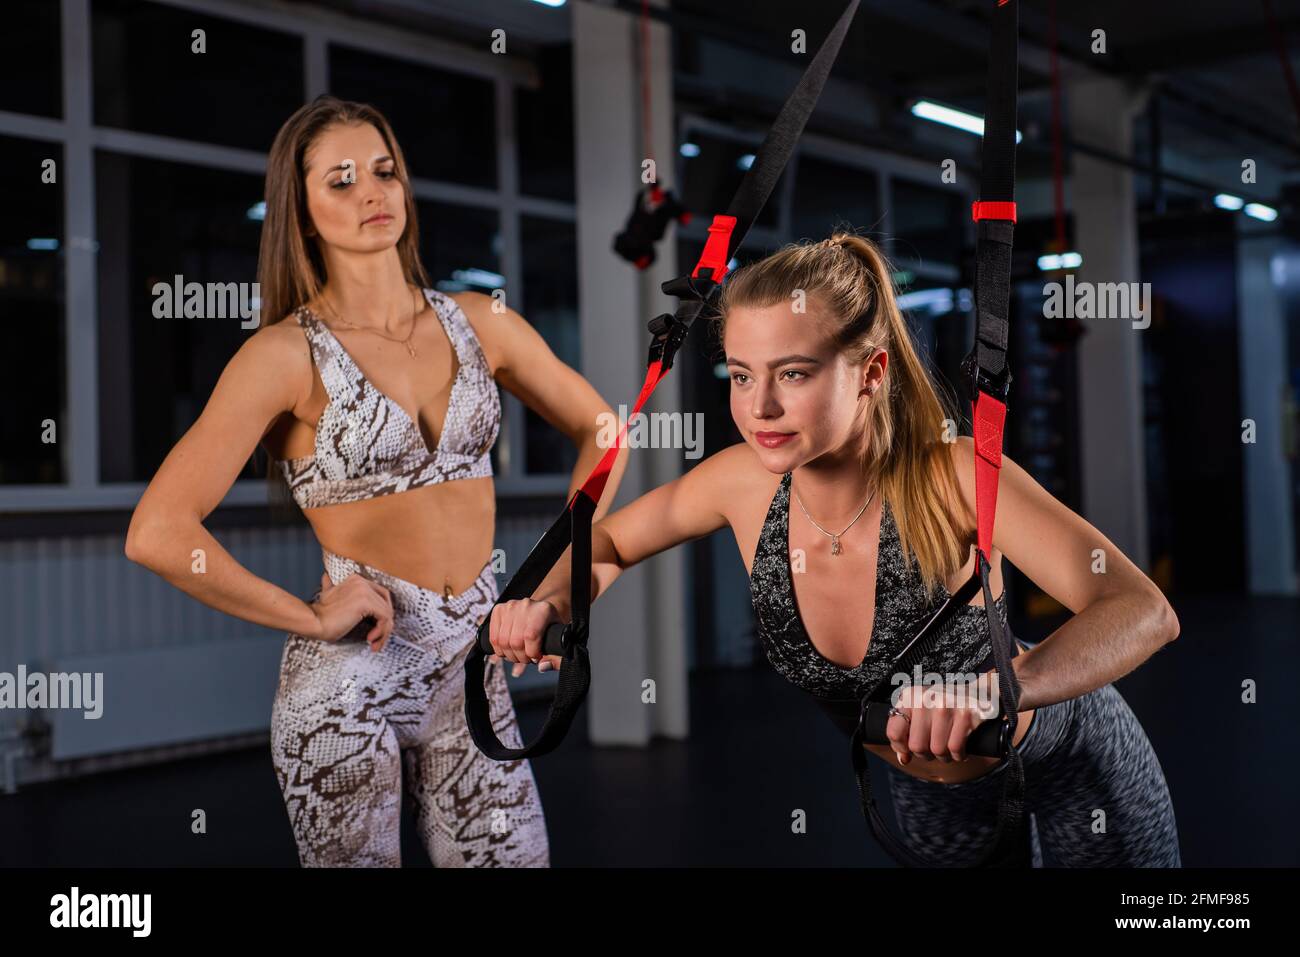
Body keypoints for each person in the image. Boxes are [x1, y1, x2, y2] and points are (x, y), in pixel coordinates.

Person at [486, 232, 1183, 867]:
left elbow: (1142, 608)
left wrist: (997, 688)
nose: (759, 408)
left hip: (1071, 759)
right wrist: (552, 598)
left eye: (793, 373)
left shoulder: (955, 474)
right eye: (740, 375)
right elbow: (603, 539)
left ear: (872, 372)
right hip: (930, 793)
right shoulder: (739, 484)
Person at [125, 96, 628, 867]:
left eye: (385, 172)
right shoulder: (281, 356)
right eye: (342, 180)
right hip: (352, 678)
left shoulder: (478, 321)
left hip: (474, 665)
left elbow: (603, 432)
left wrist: (554, 586)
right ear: (303, 213)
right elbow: (158, 531)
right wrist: (306, 614)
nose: (371, 192)